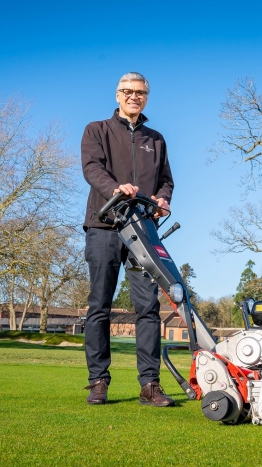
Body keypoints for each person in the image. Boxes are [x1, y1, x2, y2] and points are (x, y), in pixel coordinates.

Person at [81, 72, 175, 407]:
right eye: (128, 91)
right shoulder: (97, 130)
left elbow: (166, 181)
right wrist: (115, 190)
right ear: (118, 95)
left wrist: (162, 200)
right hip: (104, 225)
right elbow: (92, 168)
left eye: (140, 92)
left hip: (143, 231)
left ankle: (150, 385)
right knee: (99, 305)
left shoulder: (156, 139)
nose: (134, 96)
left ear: (146, 97)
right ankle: (98, 381)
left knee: (148, 306)